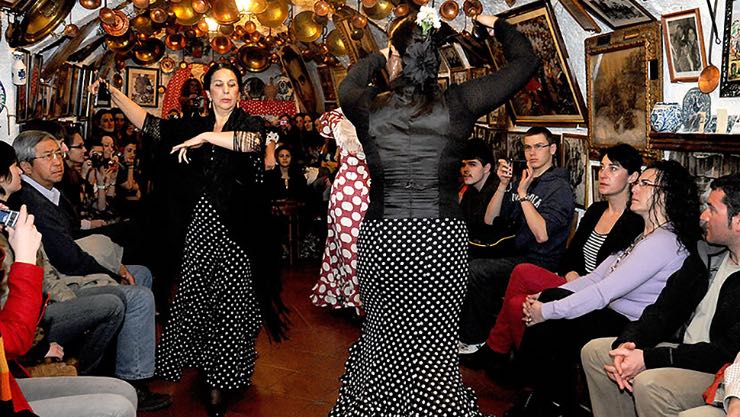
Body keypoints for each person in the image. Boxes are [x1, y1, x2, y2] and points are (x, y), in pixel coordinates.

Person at [329, 7, 538, 416]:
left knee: (383, 334)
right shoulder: (459, 102)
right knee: (433, 339)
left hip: (384, 238)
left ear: (396, 58)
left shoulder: (364, 104)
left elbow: (349, 81)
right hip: (438, 242)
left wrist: (378, 55)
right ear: (435, 58)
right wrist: (496, 26)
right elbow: (527, 61)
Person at [90, 62, 287, 417]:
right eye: (219, 85)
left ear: (239, 91)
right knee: (197, 295)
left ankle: (220, 379)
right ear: (208, 92)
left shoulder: (249, 124)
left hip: (239, 232)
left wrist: (207, 138)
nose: (226, 91)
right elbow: (150, 125)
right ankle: (204, 362)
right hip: (199, 229)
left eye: (232, 85)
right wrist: (114, 94)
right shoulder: (192, 123)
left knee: (232, 303)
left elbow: (253, 144)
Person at [508, 160, 702, 416]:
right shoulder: (645, 235)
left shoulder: (664, 242)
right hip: (612, 314)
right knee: (554, 299)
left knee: (555, 322)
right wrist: (546, 298)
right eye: (637, 181)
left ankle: (546, 400)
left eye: (644, 183)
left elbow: (603, 292)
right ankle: (551, 401)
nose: (635, 188)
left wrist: (547, 310)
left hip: (631, 326)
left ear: (666, 194)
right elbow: (596, 277)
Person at [8, 130, 171, 411]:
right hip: (61, 281)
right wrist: (110, 270)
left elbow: (71, 237)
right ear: (24, 167)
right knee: (136, 295)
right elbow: (66, 259)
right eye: (47, 156)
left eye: (57, 153)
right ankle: (131, 379)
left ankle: (129, 363)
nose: (57, 161)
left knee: (141, 272)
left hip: (63, 271)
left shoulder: (51, 192)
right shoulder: (31, 203)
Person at [465, 144, 644, 372]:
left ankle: (524, 365)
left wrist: (577, 284)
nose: (603, 174)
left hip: (598, 295)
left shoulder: (635, 221)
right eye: (602, 167)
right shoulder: (596, 211)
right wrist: (571, 275)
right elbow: (571, 255)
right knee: (522, 272)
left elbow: (613, 277)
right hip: (573, 281)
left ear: (633, 177)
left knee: (516, 303)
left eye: (614, 169)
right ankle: (498, 351)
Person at [581, 173, 740, 417]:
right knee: (596, 352)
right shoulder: (707, 255)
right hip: (682, 350)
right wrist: (629, 344)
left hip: (718, 369)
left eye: (711, 209)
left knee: (650, 384)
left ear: (738, 221)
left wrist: (649, 358)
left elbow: (725, 352)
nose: (703, 216)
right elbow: (663, 310)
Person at [0, 204, 138, 417]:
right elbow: (13, 339)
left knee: (126, 392)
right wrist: (26, 260)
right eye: (14, 168)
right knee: (118, 408)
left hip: (9, 380)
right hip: (12, 377)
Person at [459, 126, 575, 354]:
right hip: (514, 253)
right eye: (527, 147)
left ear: (552, 149)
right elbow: (490, 220)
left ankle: (477, 340)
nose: (532, 153)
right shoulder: (525, 178)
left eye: (538, 147)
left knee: (476, 270)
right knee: (462, 259)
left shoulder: (559, 188)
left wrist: (522, 195)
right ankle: (468, 332)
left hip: (539, 261)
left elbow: (542, 235)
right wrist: (503, 185)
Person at [310, 108, 369, 314]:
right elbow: (321, 126)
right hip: (349, 189)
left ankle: (365, 296)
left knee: (370, 245)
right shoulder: (336, 117)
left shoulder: (383, 112)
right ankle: (355, 298)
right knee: (347, 244)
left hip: (377, 187)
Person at [459, 139, 499, 244]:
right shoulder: (470, 191)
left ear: (486, 168)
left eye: (472, 164)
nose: (465, 170)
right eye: (463, 165)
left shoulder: (499, 191)